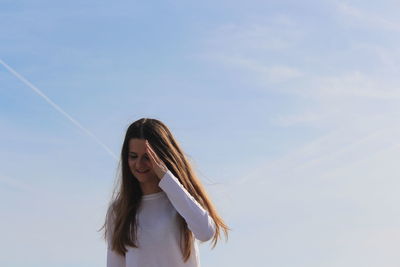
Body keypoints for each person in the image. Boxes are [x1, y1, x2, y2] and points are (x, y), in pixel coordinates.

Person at [100, 118, 230, 267]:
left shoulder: (182, 200)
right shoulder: (119, 210)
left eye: (147, 157)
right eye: (133, 156)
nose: (139, 164)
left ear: (162, 157)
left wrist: (166, 177)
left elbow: (206, 232)